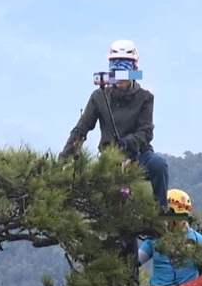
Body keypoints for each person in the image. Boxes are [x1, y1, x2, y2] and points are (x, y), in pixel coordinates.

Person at [58, 39, 174, 216]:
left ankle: (160, 214)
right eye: (115, 70)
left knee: (159, 165)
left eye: (124, 70)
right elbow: (81, 129)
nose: (119, 76)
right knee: (114, 210)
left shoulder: (145, 97)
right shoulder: (99, 96)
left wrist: (127, 143)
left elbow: (146, 131)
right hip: (110, 160)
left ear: (134, 70)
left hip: (138, 155)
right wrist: (62, 163)